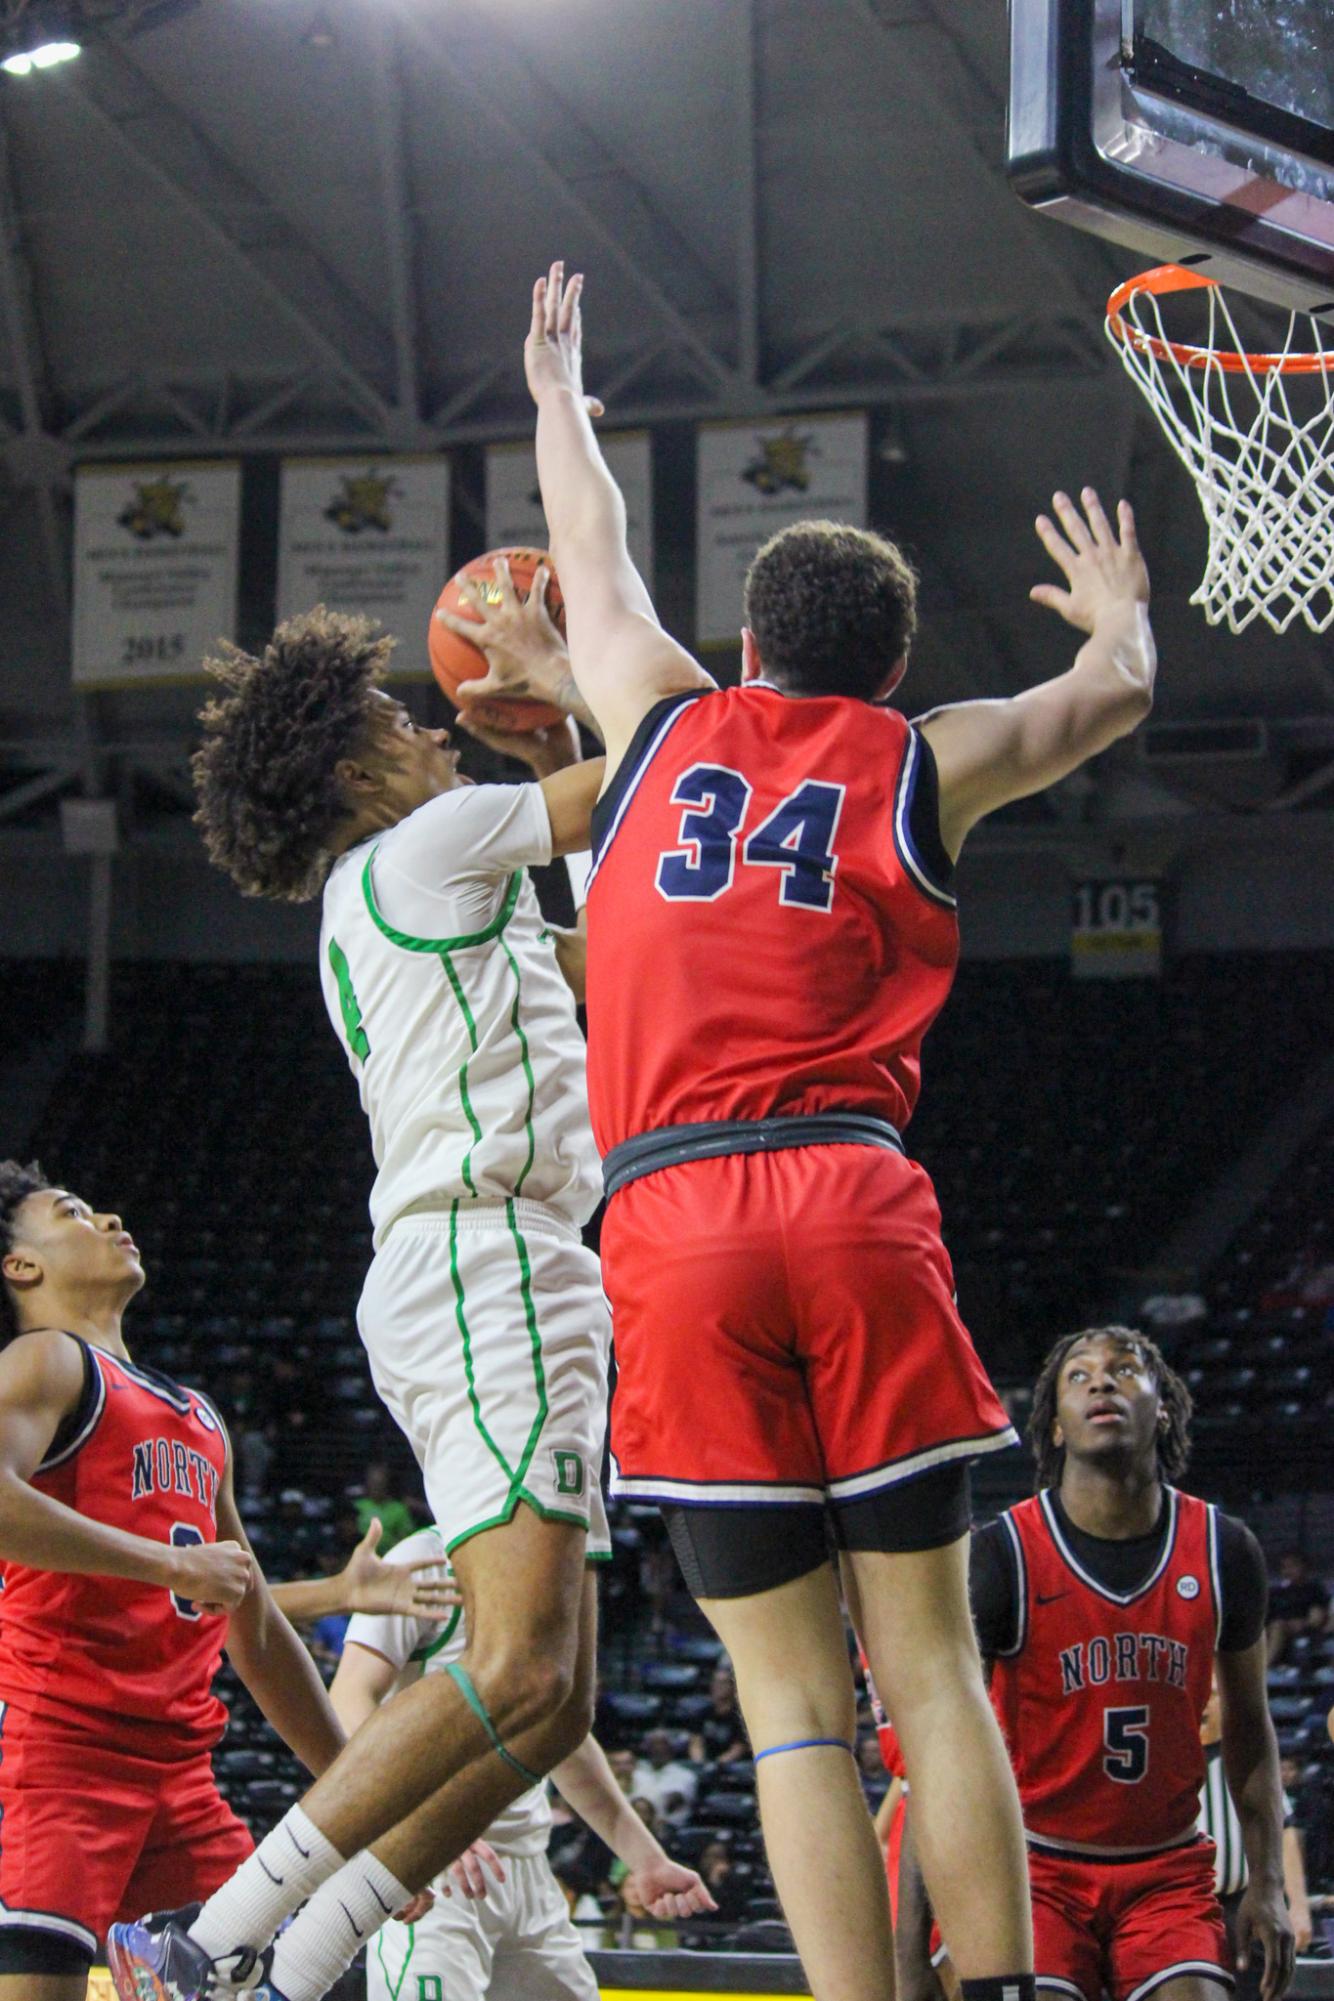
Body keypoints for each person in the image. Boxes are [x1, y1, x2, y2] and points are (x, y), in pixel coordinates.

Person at [509, 257, 1166, 2001]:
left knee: (788, 1710)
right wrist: (1112, 609)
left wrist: (558, 398)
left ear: (742, 647)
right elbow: (1104, 701)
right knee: (927, 1666)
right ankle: (1002, 1988)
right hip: (849, 1198)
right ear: (884, 665)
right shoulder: (914, 755)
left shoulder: (651, 724)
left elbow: (588, 554)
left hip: (665, 1220)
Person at [111, 590, 613, 2001]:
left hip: (489, 1268)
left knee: (552, 1687)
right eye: (404, 718)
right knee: (517, 1668)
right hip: (490, 1259)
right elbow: (653, 780)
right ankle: (202, 1945)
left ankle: (298, 1964)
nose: (436, 730)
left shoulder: (407, 887)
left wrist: (548, 738)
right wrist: (565, 685)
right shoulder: (432, 847)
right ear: (352, 773)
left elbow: (622, 944)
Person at [0, 1161, 385, 1998]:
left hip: (180, 1773)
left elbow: (254, 1626)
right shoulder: (45, 1361)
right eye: (71, 1211)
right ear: (21, 1267)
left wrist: (363, 1797)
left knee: (249, 1984)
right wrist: (170, 1562)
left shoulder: (198, 1414)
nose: (106, 1215)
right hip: (56, 1753)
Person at [947, 1326, 1295, 2001]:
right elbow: (944, 1744)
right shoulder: (1003, 1553)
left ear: (1162, 1404)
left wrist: (1269, 1883)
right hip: (1032, 1868)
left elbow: (1251, 1728)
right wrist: (921, 1936)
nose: (1101, 1381)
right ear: (1052, 1427)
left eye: (1125, 1369)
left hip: (1167, 1871)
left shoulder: (1225, 1548)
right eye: (1078, 1375)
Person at [329, 1522, 714, 2001]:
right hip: (437, 1871)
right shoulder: (423, 1557)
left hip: (529, 1869)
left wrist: (646, 1859)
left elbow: (560, 1734)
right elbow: (346, 1698)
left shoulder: (552, 1562)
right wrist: (422, 1825)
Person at [1198, 1677, 1313, 1986]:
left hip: (1243, 1903)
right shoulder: (1170, 1758)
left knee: (1255, 1990)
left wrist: (1298, 1906)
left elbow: (1283, 1830)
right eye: (1200, 1695)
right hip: (1186, 1906)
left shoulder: (1248, 1757)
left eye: (1213, 1696)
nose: (1206, 1704)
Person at [1265, 1552, 1329, 1667]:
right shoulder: (1275, 1592)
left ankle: (1265, 1666)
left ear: (1304, 1567)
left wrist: (1302, 1623)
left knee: (1278, 1626)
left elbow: (1316, 1618)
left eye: (1293, 1566)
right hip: (1272, 1627)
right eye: (1285, 1567)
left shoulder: (1314, 1589)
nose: (1288, 1571)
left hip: (1301, 1629)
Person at [631, 1727, 699, 1821]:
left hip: (668, 1825)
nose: (657, 1748)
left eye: (662, 1744)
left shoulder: (685, 1775)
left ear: (671, 1747)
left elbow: (672, 1803)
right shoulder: (635, 1771)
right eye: (653, 1745)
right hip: (635, 1821)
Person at [689, 1663, 748, 1765]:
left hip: (732, 1764)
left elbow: (739, 1747)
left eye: (722, 1683)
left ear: (732, 1687)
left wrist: (717, 1764)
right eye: (715, 1683)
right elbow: (696, 1742)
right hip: (706, 1761)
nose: (718, 1687)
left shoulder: (740, 1716)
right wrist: (699, 1762)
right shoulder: (702, 1714)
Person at [354, 1459, 417, 1552]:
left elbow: (406, 1538)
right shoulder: (357, 1506)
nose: (377, 1487)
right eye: (373, 1483)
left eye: (380, 1483)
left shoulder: (398, 1509)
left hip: (390, 1557)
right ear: (368, 1483)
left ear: (387, 1483)